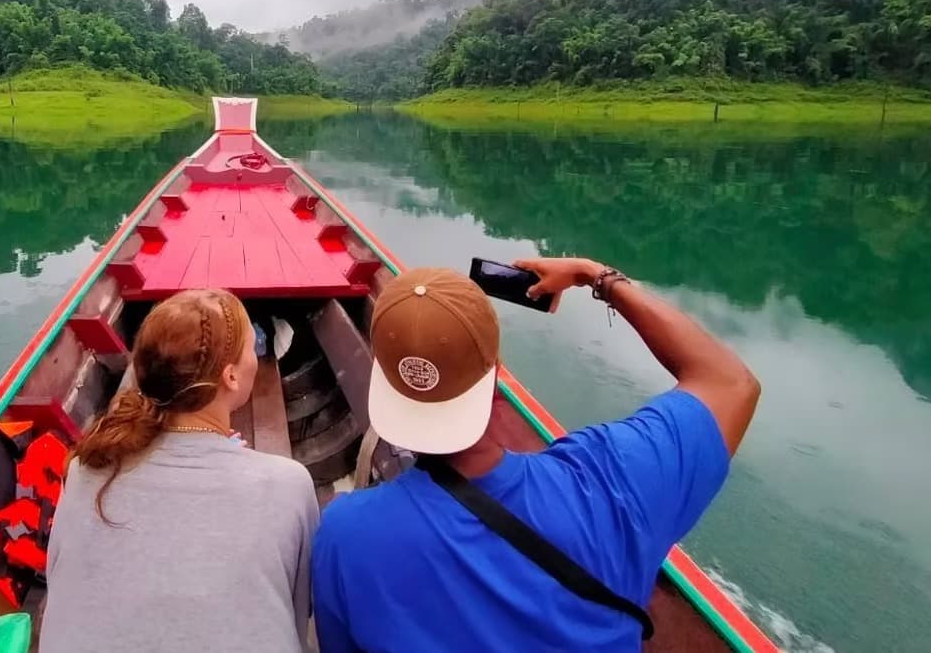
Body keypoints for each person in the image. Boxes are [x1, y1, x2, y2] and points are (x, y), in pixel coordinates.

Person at [311, 259, 762, 653]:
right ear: (496, 373)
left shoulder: (344, 535)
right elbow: (728, 382)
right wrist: (595, 275)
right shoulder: (611, 483)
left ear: (386, 387)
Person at [39, 288, 319, 653]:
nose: (258, 354)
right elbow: (301, 609)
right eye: (254, 346)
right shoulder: (289, 484)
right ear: (231, 376)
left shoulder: (84, 468)